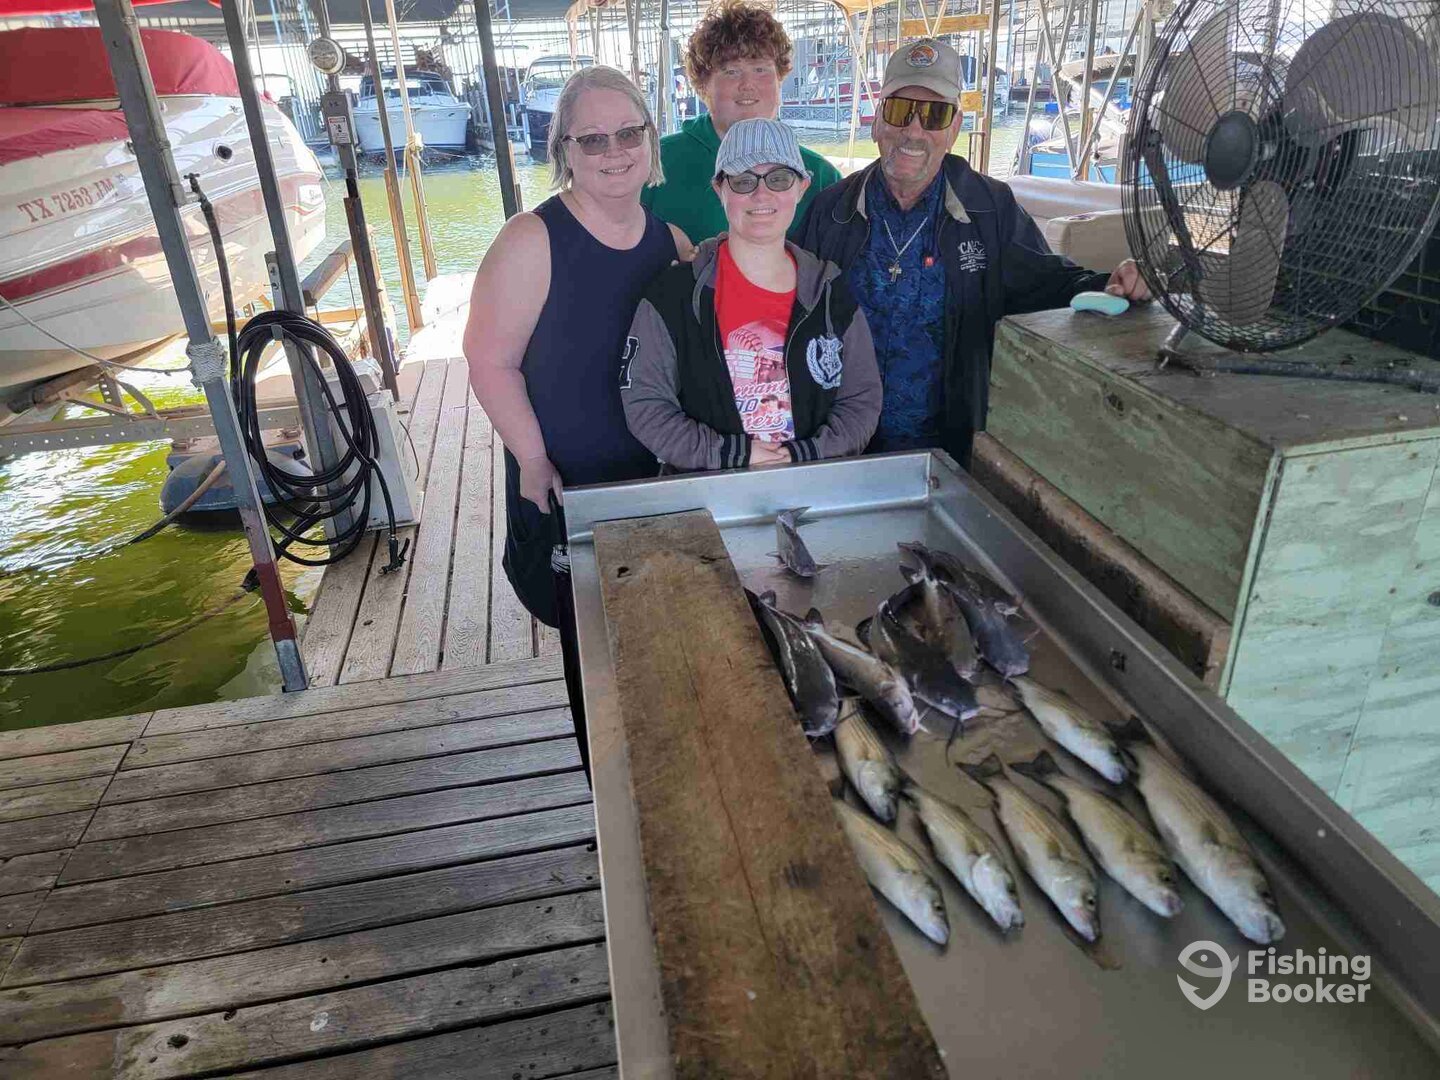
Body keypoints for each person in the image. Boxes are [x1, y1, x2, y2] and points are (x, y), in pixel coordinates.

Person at [462, 66, 690, 774]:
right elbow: (488, 360)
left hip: (653, 486)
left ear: (650, 141)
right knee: (594, 670)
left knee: (663, 650)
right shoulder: (531, 239)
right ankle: (609, 797)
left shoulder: (674, 243)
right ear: (564, 149)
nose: (613, 151)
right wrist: (532, 458)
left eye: (628, 133)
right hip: (567, 489)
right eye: (592, 139)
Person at [798, 38, 1151, 466]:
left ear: (954, 128)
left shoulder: (990, 208)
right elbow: (790, 313)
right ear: (877, 121)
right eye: (899, 110)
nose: (914, 130)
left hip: (949, 451)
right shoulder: (831, 211)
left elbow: (1047, 284)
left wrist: (1112, 282)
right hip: (840, 447)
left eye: (934, 115)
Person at [622, 118, 881, 470]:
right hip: (707, 492)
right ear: (719, 189)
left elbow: (861, 401)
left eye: (779, 178)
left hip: (811, 486)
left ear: (802, 187)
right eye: (743, 181)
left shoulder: (831, 294)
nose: (761, 194)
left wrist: (809, 454)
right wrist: (730, 454)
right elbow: (645, 404)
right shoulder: (672, 296)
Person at [640, 0, 841, 244]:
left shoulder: (821, 177)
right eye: (731, 71)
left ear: (780, 79)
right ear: (703, 85)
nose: (747, 84)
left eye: (760, 69)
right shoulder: (654, 164)